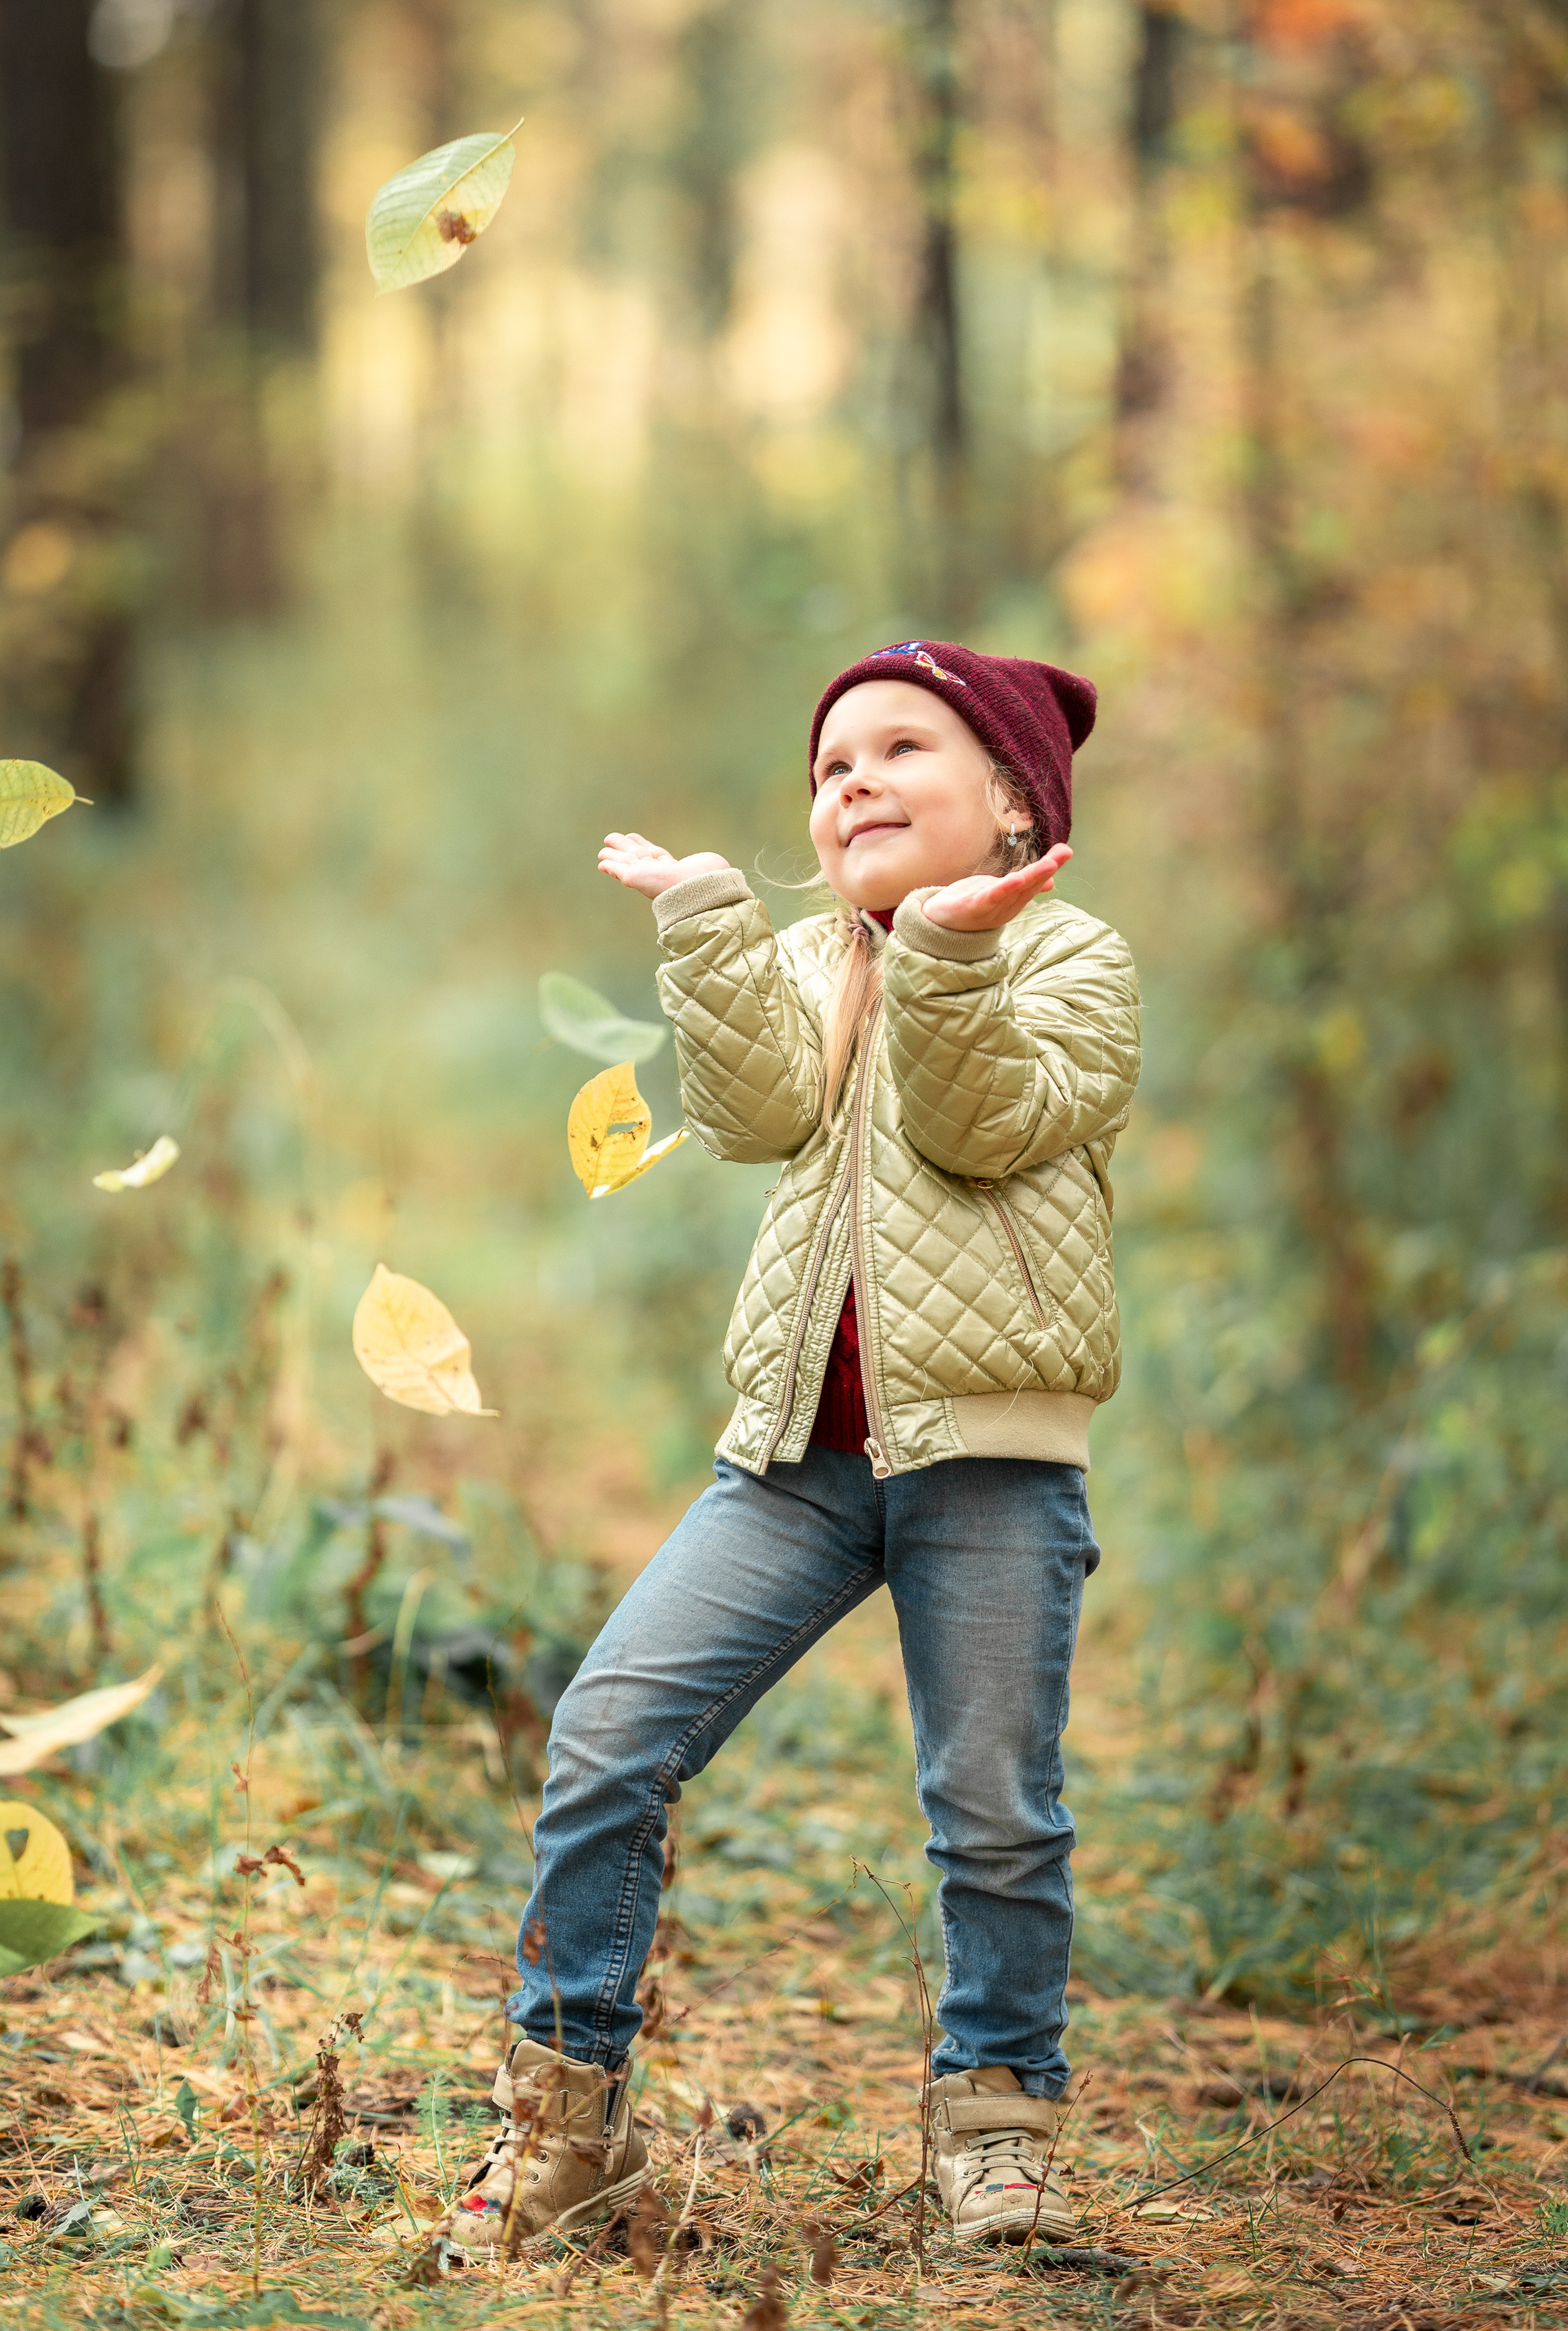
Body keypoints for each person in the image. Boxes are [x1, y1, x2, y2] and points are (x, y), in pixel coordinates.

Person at [449, 639, 1140, 2256]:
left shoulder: (1073, 962)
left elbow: (977, 1127)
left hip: (989, 1467)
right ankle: (561, 2125)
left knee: (990, 1806)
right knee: (609, 1732)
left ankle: (993, 2126)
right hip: (796, 1462)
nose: (855, 783)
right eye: (832, 769)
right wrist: (703, 916)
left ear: (1015, 801)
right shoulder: (823, 957)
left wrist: (952, 960)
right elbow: (755, 1110)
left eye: (902, 749)